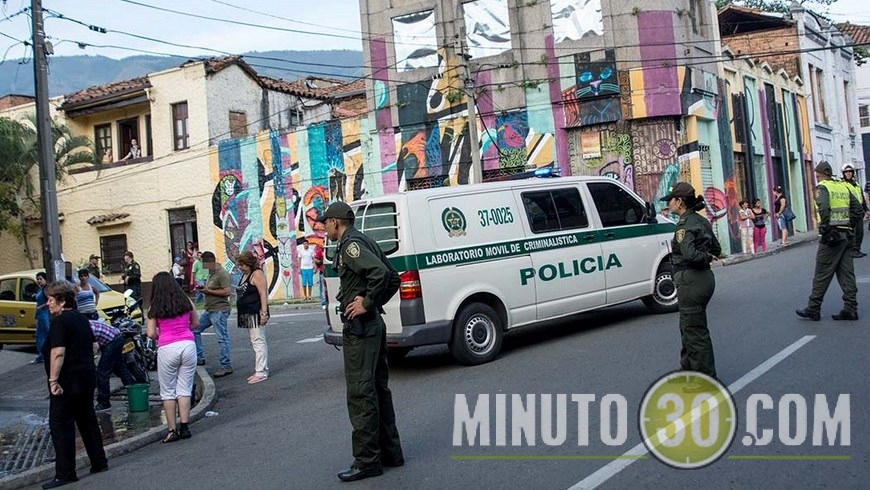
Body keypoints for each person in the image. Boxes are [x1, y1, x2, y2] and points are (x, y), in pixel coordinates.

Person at [317, 201, 403, 482]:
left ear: (336, 222)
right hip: (371, 326)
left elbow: (382, 275)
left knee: (361, 393)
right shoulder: (364, 240)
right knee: (378, 389)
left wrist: (366, 303)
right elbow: (392, 277)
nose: (323, 227)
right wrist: (374, 303)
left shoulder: (350, 245)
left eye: (325, 222)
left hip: (361, 330)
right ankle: (390, 453)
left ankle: (367, 461)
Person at [41, 281, 108, 489]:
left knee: (61, 425)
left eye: (51, 300)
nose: (48, 305)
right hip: (86, 377)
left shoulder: (60, 322)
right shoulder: (81, 319)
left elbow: (57, 352)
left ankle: (66, 472)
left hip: (67, 381)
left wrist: (53, 380)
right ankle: (99, 461)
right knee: (87, 420)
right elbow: (94, 345)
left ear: (61, 301)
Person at [661, 182, 722, 380]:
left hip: (691, 280)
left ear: (680, 202)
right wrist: (708, 256)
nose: (668, 204)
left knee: (694, 332)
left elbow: (690, 255)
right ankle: (688, 370)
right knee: (688, 328)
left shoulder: (685, 225)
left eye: (670, 200)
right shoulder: (700, 221)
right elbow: (716, 248)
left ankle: (705, 378)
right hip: (702, 279)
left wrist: (704, 257)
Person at [796, 161, 863, 321]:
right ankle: (850, 308)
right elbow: (858, 209)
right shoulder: (843, 186)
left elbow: (824, 209)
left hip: (832, 237)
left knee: (822, 273)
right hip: (847, 235)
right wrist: (849, 224)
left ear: (819, 174)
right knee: (847, 273)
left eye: (816, 173)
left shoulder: (822, 187)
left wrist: (826, 229)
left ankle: (813, 308)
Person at [146, 271, 198, 443]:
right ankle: (185, 426)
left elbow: (151, 333)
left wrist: (163, 334)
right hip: (188, 345)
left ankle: (172, 430)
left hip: (167, 347)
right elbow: (195, 324)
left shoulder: (154, 307)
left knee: (168, 391)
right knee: (184, 388)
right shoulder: (186, 302)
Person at [192, 251, 233, 376]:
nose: (202, 266)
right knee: (195, 329)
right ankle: (200, 357)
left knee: (222, 338)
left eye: (204, 263)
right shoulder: (211, 273)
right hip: (209, 309)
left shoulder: (222, 273)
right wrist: (204, 289)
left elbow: (227, 292)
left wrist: (208, 291)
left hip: (219, 309)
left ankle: (226, 365)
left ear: (210, 261)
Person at [235, 251, 270, 384]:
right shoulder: (246, 275)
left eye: (242, 264)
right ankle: (260, 369)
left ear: (249, 263)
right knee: (255, 341)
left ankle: (261, 371)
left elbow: (263, 294)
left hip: (255, 312)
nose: (240, 267)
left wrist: (264, 313)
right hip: (247, 313)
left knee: (258, 340)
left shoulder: (257, 274)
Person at [91, 318, 136, 412]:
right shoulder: (84, 323)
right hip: (116, 337)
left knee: (102, 373)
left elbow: (94, 348)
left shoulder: (84, 329)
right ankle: (135, 396)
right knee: (120, 369)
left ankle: (104, 402)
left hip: (112, 341)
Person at [840, 163, 867, 258]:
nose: (848, 173)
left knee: (860, 232)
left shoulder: (857, 185)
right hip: (850, 212)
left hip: (859, 212)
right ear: (843, 173)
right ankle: (852, 250)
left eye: (850, 171)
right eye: (846, 172)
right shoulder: (843, 185)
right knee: (853, 232)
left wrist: (866, 210)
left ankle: (857, 249)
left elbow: (862, 198)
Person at [32, 272, 50, 364]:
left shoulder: (46, 289)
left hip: (45, 313)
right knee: (39, 336)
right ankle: (41, 355)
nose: (39, 281)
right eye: (38, 279)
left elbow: (50, 301)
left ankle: (47, 354)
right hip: (40, 314)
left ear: (45, 279)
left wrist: (41, 307)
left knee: (47, 334)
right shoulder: (40, 289)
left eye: (40, 279)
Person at [313, 242, 327, 309]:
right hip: (322, 271)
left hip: (328, 271)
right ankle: (324, 302)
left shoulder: (329, 250)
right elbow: (315, 259)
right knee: (323, 288)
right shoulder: (320, 251)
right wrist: (320, 262)